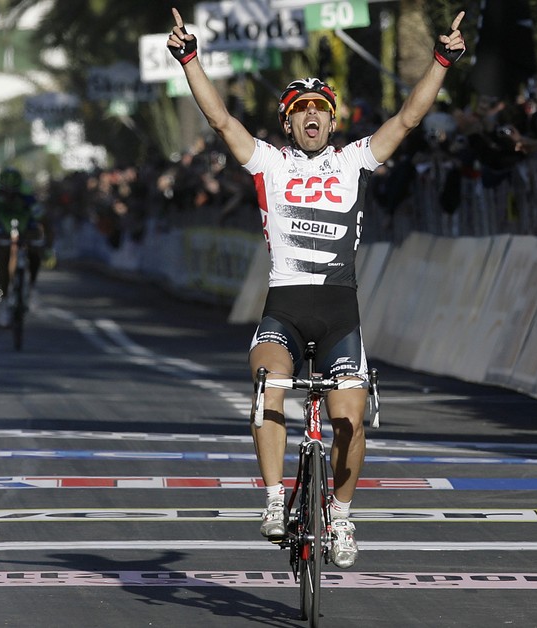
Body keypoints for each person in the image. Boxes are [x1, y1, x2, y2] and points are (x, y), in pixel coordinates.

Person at [167, 7, 466, 568]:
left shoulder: (355, 160)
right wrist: (189, 60)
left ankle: (345, 516)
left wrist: (443, 61)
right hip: (284, 310)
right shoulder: (270, 163)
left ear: (332, 121)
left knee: (351, 417)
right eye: (300, 110)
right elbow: (222, 121)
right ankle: (277, 498)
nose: (310, 117)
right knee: (268, 386)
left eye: (319, 111)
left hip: (339, 316)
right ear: (288, 123)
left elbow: (406, 119)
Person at [0, 166, 52, 327]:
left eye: (13, 192)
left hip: (25, 223)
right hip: (3, 223)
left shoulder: (27, 196)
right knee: (3, 260)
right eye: (6, 192)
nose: (10, 195)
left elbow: (43, 220)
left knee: (34, 251)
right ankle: (4, 304)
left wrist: (47, 245)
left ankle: (31, 287)